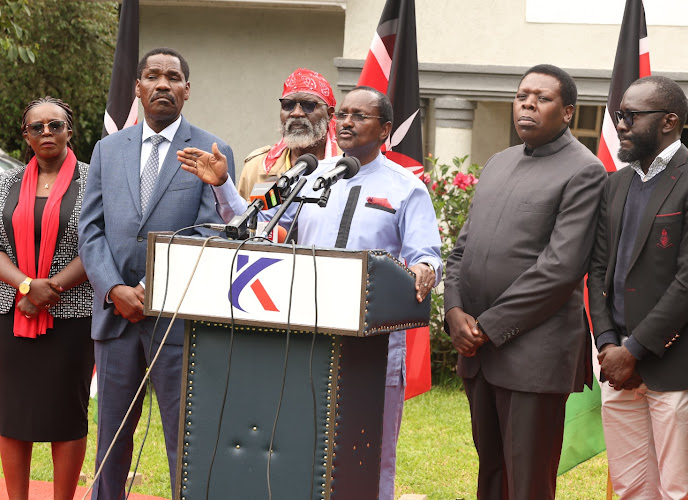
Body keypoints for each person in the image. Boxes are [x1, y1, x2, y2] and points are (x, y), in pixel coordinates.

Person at [177, 86, 441, 500]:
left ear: (386, 129)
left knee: (370, 449)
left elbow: (424, 255)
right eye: (344, 115)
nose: (347, 122)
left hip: (373, 344)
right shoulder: (308, 174)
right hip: (306, 336)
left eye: (360, 116)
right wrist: (224, 183)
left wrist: (425, 268)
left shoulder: (407, 188)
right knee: (303, 439)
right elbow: (258, 220)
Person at [442, 64, 607, 500]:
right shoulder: (499, 162)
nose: (528, 104)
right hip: (477, 349)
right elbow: (462, 248)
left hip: (533, 355)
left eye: (542, 98)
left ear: (568, 111)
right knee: (491, 473)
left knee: (527, 482)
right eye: (522, 96)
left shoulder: (584, 171)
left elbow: (561, 268)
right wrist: (454, 311)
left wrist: (488, 327)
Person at [78, 47, 235, 500]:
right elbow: (91, 230)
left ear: (187, 90)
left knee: (184, 435)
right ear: (138, 87)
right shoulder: (109, 149)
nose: (162, 84)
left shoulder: (210, 150)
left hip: (177, 320)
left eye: (173, 77)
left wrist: (149, 287)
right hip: (116, 317)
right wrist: (114, 290)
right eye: (153, 76)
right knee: (111, 434)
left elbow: (214, 231)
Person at [588, 75, 688, 499]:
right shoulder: (616, 183)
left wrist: (633, 352)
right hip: (616, 369)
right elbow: (597, 271)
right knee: (632, 487)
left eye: (631, 116)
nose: (621, 125)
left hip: (673, 366)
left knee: (681, 489)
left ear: (669, 121)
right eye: (619, 116)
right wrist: (609, 345)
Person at [0, 96, 94, 500]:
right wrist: (26, 286)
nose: (46, 133)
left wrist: (47, 290)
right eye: (36, 127)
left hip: (71, 318)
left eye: (54, 125)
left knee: (66, 416)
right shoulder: (5, 184)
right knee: (10, 415)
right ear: (26, 136)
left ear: (69, 131)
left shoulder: (94, 181)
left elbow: (98, 246)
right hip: (11, 312)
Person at [236, 68, 341, 199]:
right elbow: (242, 216)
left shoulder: (346, 166)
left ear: (329, 114)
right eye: (288, 105)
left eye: (308, 105)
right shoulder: (257, 167)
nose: (296, 113)